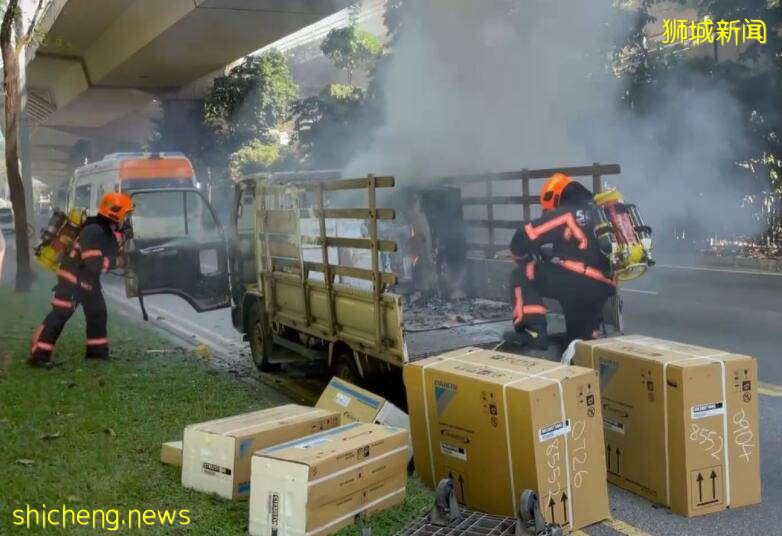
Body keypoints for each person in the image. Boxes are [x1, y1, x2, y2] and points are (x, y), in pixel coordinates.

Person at [507, 173, 616, 349]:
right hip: (603, 287)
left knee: (522, 273)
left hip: (576, 281)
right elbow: (586, 250)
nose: (549, 212)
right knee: (579, 346)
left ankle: (532, 331)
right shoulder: (600, 212)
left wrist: (521, 257)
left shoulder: (567, 213)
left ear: (555, 197)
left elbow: (523, 236)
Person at [29, 193, 133, 367]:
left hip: (87, 282)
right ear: (115, 213)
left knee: (97, 313)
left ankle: (97, 354)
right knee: (59, 316)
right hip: (72, 281)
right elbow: (94, 264)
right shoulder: (94, 231)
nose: (127, 220)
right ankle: (38, 356)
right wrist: (120, 262)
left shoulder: (104, 230)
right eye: (126, 214)